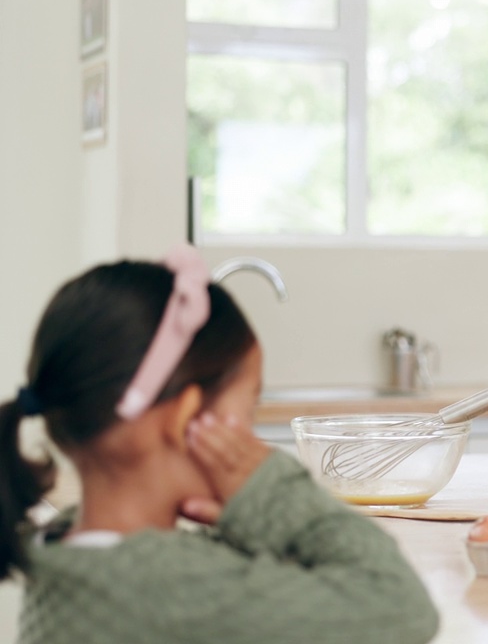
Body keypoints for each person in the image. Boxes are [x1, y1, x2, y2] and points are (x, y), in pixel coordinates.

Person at [0, 245, 440, 643]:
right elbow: (401, 606)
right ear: (184, 418)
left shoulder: (59, 546)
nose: (249, 437)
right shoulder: (173, 586)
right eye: (247, 412)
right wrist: (273, 494)